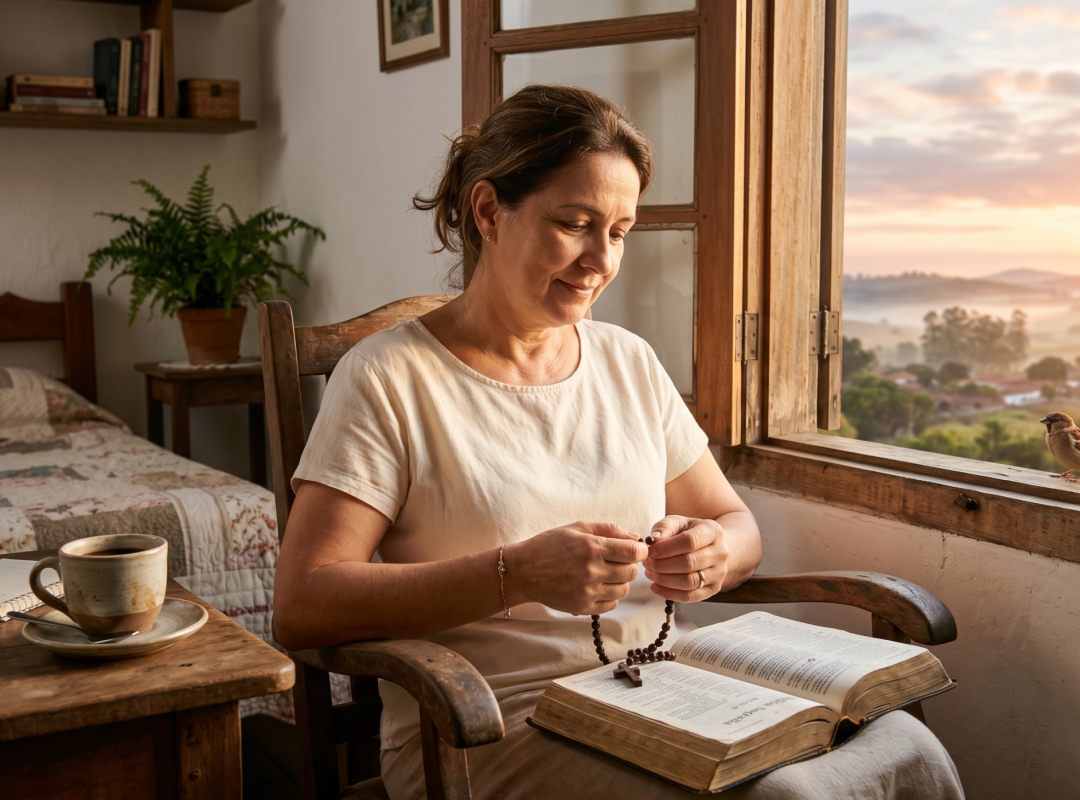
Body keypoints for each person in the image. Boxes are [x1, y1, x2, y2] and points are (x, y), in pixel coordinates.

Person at [273, 85, 964, 799]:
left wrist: (711, 555)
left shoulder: (626, 359)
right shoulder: (388, 377)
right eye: (574, 223)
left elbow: (737, 524)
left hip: (662, 685)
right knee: (784, 797)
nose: (601, 259)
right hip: (489, 721)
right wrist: (517, 574)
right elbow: (304, 604)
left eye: (621, 231)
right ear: (488, 211)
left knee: (909, 746)